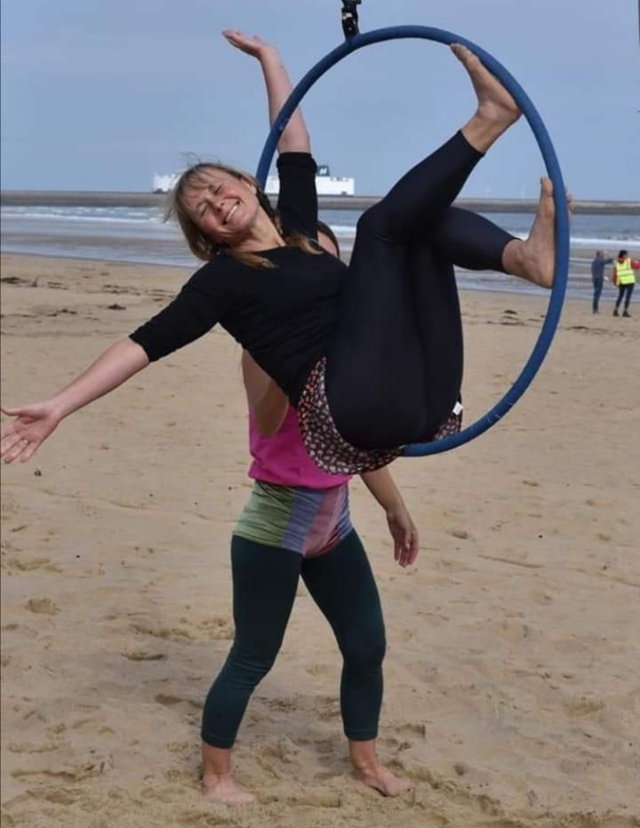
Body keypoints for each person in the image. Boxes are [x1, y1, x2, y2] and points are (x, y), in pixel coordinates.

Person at [1, 41, 564, 472]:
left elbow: (293, 141)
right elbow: (140, 346)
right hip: (355, 407)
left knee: (419, 221)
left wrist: (269, 58)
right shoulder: (222, 282)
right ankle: (490, 119)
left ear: (246, 183)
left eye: (220, 189)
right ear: (208, 236)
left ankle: (524, 260)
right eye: (203, 210)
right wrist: (59, 405)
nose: (218, 204)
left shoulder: (298, 229)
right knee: (380, 227)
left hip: (428, 400)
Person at [612, 249, 639, 317]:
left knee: (620, 296)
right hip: (630, 281)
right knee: (628, 297)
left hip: (621, 282)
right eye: (626, 254)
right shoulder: (628, 261)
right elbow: (637, 266)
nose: (627, 255)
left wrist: (615, 283)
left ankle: (615, 310)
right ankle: (625, 311)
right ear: (624, 255)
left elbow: (614, 274)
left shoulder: (616, 263)